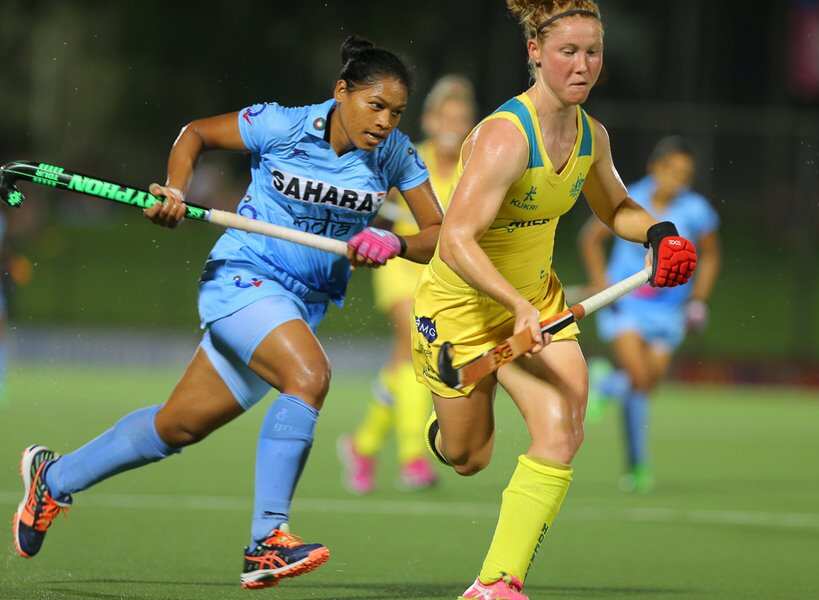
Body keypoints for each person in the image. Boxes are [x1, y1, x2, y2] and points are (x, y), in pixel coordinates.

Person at [12, 35, 444, 590]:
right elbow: (194, 134)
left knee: (178, 425)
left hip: (300, 304)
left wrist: (396, 242)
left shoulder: (395, 154)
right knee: (309, 376)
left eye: (396, 113)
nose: (385, 122)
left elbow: (439, 233)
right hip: (244, 278)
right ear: (341, 92)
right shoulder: (282, 124)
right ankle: (267, 541)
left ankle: (54, 478)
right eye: (375, 105)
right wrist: (175, 188)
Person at [411, 3, 698, 599]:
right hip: (461, 309)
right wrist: (512, 307)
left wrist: (659, 233)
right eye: (568, 51)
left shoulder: (592, 136)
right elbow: (456, 240)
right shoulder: (504, 137)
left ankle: (497, 582)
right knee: (468, 456)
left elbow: (616, 207)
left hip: (539, 304)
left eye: (592, 52)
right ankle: (444, 428)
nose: (582, 65)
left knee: (564, 427)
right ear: (535, 52)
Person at [339, 75, 477, 494]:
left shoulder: (474, 167)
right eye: (445, 118)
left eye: (461, 119)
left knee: (407, 360)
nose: (453, 127)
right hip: (400, 263)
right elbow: (368, 195)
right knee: (415, 348)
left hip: (441, 276)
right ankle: (412, 458)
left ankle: (363, 445)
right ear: (431, 120)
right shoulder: (408, 158)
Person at [579, 135, 721, 493]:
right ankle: (639, 465)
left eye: (684, 174)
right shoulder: (632, 199)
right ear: (654, 168)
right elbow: (590, 239)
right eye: (670, 170)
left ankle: (605, 385)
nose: (676, 179)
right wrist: (601, 284)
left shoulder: (696, 210)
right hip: (625, 304)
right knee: (640, 378)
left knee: (643, 385)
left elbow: (711, 256)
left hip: (669, 312)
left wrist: (699, 300)